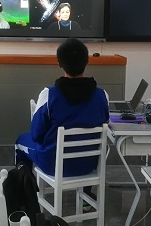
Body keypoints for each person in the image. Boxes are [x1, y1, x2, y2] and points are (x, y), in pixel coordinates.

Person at [15, 37, 109, 182]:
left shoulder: (48, 95)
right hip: (89, 165)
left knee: (20, 141)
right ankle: (86, 194)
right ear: (87, 61)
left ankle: (26, 192)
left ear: (59, 63)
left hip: (52, 165)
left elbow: (36, 135)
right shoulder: (102, 96)